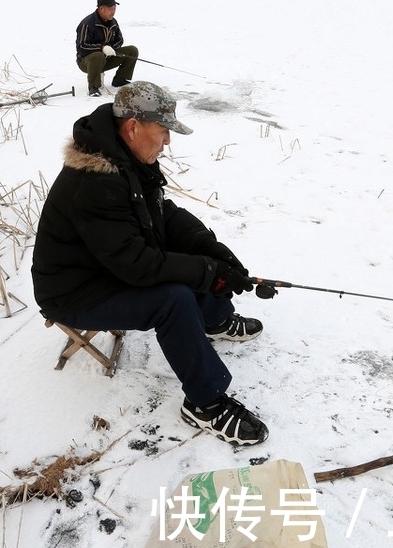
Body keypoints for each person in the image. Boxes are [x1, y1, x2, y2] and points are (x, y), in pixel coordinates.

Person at [32, 81, 268, 446]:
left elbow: (163, 214)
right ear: (133, 127)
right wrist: (207, 273)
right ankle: (205, 403)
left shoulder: (124, 157)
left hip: (105, 267)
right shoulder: (96, 183)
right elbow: (138, 266)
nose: (168, 141)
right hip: (75, 292)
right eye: (163, 131)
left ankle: (215, 320)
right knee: (172, 299)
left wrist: (213, 252)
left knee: (193, 261)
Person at [76, 0, 138, 97]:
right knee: (98, 56)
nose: (113, 11)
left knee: (132, 50)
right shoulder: (87, 24)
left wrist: (111, 48)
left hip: (107, 58)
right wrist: (102, 48)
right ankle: (93, 87)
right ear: (101, 8)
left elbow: (120, 40)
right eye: (110, 8)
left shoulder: (113, 22)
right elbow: (82, 47)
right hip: (86, 62)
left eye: (114, 8)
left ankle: (120, 79)